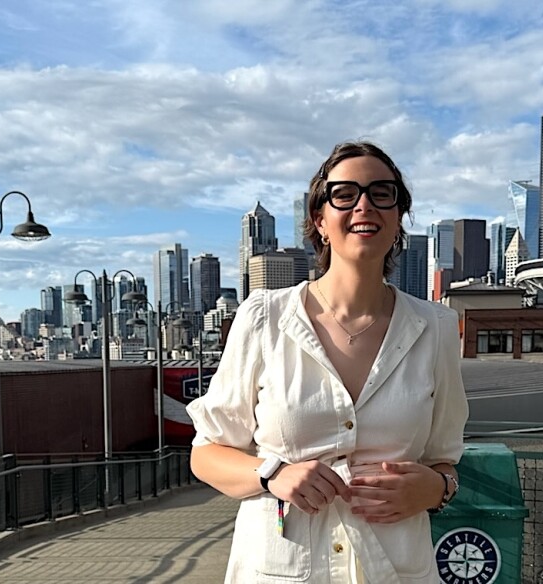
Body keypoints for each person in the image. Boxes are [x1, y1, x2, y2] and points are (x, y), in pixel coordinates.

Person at [187, 140, 469, 583]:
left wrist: (436, 489)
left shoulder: (435, 328)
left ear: (398, 219)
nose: (363, 205)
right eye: (344, 194)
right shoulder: (264, 318)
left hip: (394, 569)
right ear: (320, 220)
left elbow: (445, 458)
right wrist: (271, 474)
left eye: (382, 193)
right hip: (283, 570)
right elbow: (205, 453)